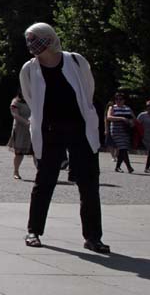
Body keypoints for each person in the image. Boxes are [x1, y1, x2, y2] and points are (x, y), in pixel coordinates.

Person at [19, 22, 108, 253]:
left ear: (50, 39)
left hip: (80, 128)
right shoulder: (29, 69)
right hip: (49, 131)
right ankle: (34, 230)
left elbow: (88, 91)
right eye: (30, 40)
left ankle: (93, 237)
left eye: (37, 39)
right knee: (44, 181)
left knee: (89, 184)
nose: (33, 45)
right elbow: (30, 99)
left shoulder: (76, 61)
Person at [106, 93, 135, 174]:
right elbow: (109, 117)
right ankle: (129, 167)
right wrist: (122, 118)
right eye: (116, 99)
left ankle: (118, 167)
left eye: (120, 99)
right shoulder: (112, 107)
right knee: (123, 148)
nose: (118, 101)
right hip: (116, 131)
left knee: (123, 148)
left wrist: (131, 122)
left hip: (126, 131)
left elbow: (134, 118)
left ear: (124, 100)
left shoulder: (128, 108)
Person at [8, 91, 33, 180]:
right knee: (19, 153)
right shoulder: (16, 102)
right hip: (20, 130)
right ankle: (16, 171)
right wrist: (27, 122)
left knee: (36, 152)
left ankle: (40, 172)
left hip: (33, 129)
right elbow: (15, 115)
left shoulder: (33, 100)